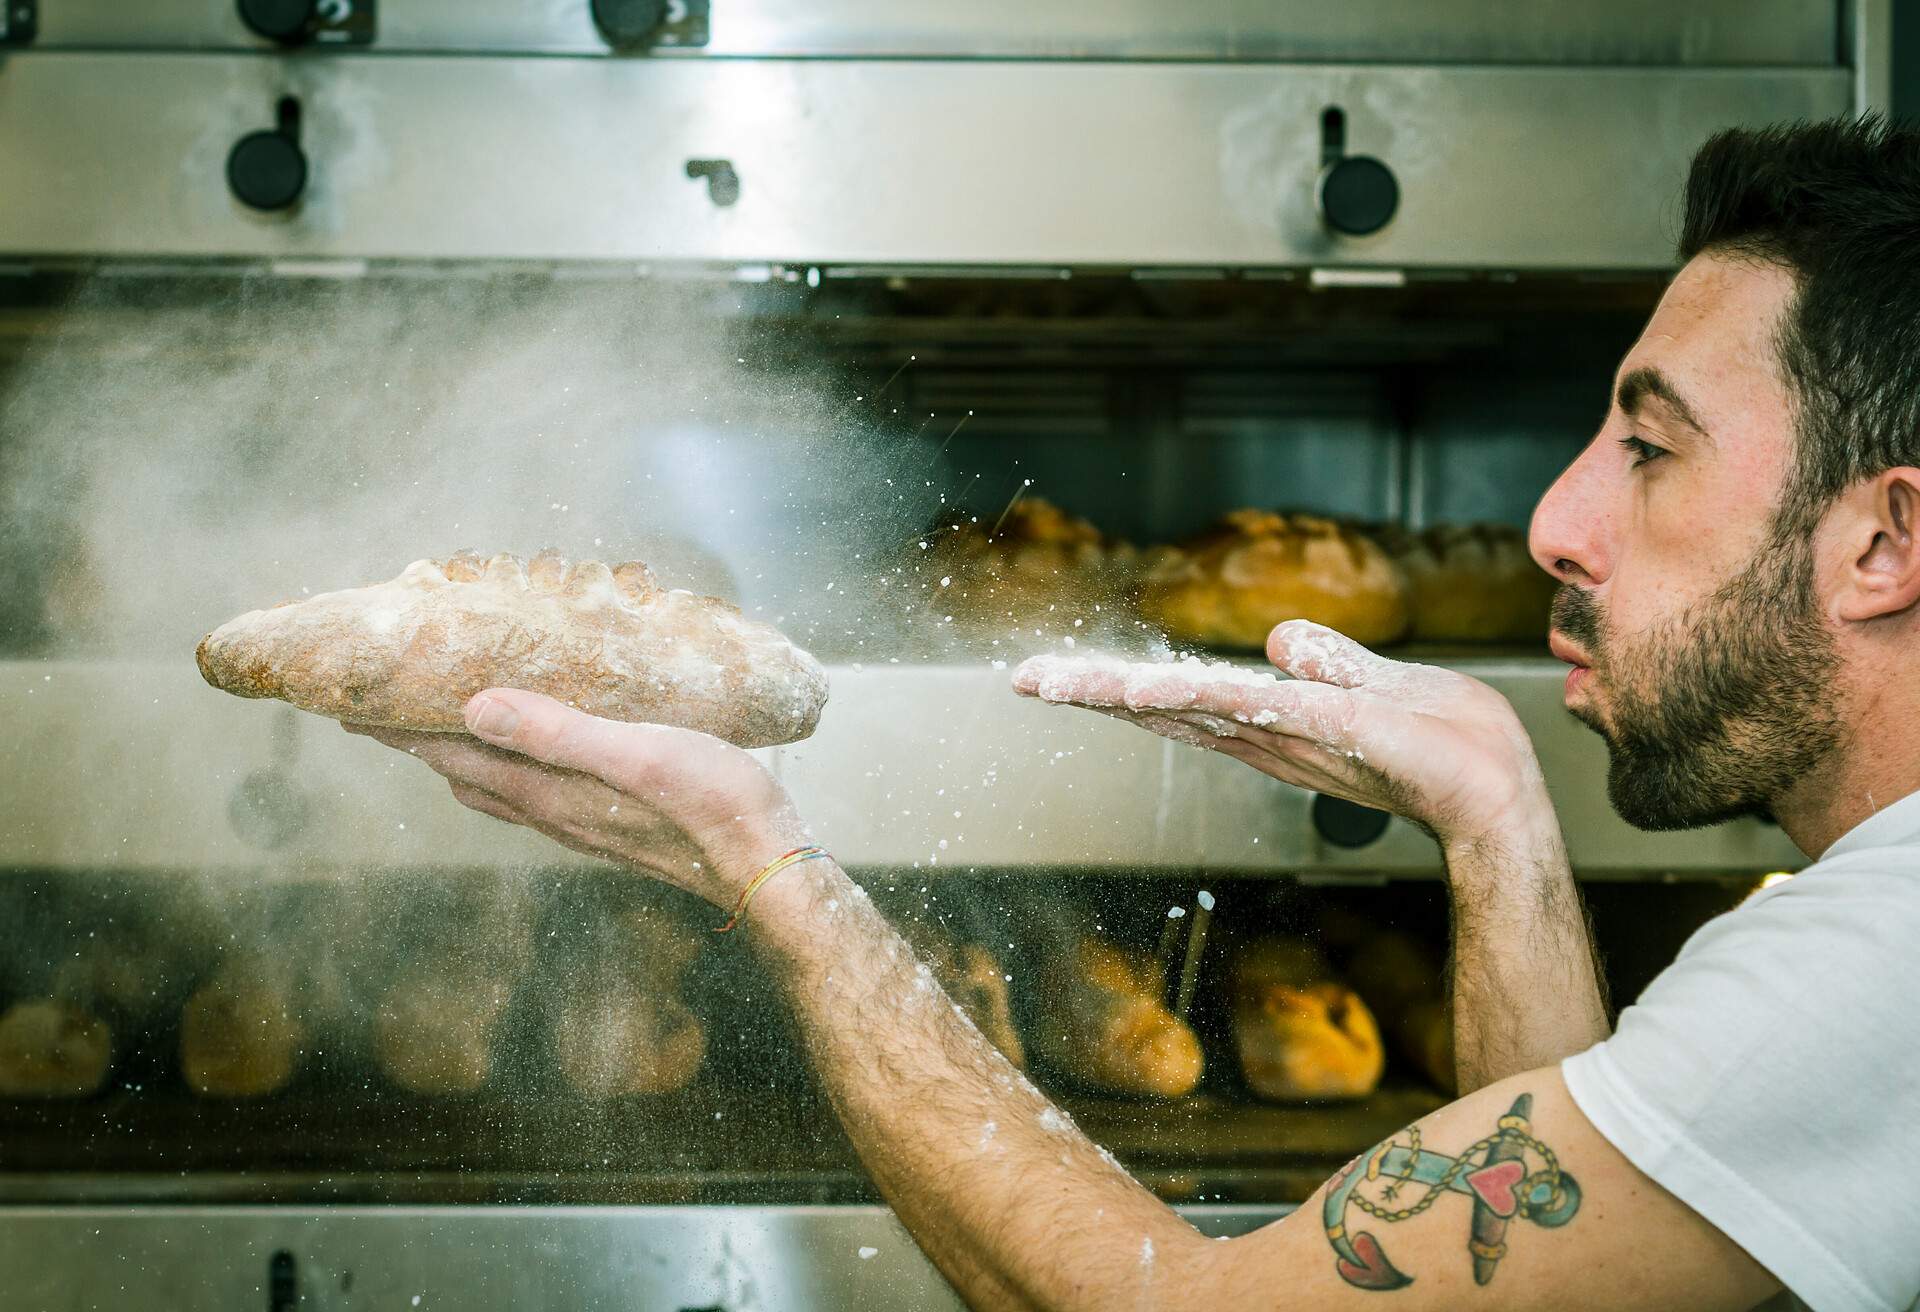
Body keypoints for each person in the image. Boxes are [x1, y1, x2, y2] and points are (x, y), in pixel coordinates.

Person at [360, 117, 1920, 1311]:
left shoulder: (1868, 979)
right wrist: (1496, 819)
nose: (1557, 521)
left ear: (1885, 543)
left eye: (1651, 450)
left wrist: (771, 870)